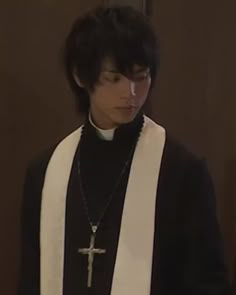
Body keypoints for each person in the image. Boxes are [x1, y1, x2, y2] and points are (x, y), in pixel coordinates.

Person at [18, 5, 231, 295]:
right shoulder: (45, 171)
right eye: (114, 78)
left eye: (140, 76)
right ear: (81, 76)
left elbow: (208, 283)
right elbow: (31, 281)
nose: (130, 93)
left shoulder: (182, 172)